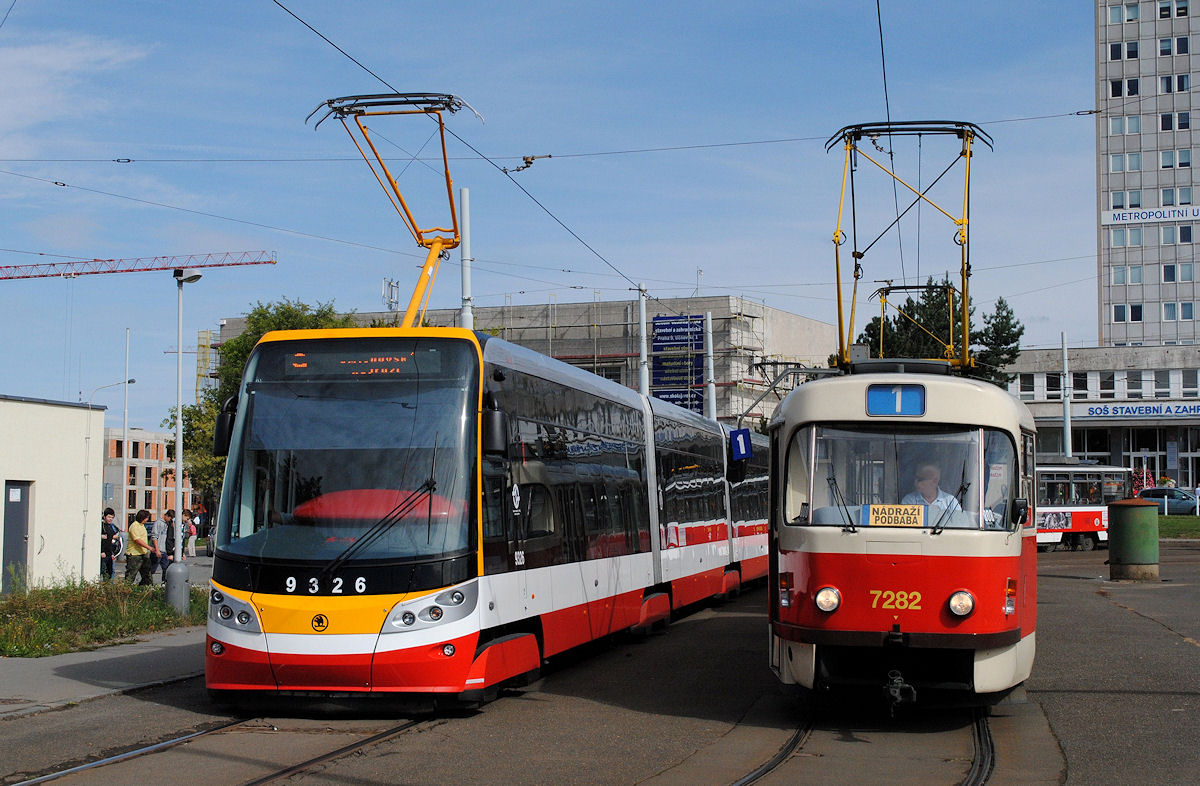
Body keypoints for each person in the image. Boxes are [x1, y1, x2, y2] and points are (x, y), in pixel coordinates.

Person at [124, 509, 158, 585]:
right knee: (131, 574)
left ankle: (145, 588)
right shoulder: (134, 526)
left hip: (143, 553)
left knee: (147, 574)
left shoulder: (142, 526)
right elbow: (137, 540)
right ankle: (125, 590)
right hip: (134, 554)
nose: (147, 520)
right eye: (146, 518)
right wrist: (149, 547)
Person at [99, 507, 120, 581]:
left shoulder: (111, 526)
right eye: (109, 517)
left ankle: (107, 588)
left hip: (109, 553)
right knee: (101, 571)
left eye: (112, 517)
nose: (110, 519)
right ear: (104, 517)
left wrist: (112, 554)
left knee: (109, 573)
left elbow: (110, 539)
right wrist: (101, 551)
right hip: (103, 554)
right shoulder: (101, 526)